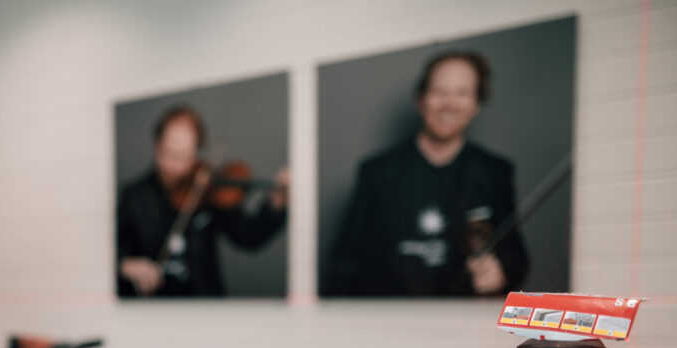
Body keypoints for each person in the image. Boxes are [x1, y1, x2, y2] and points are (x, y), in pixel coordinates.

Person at [328, 50, 528, 297]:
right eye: (439, 91)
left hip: (462, 318)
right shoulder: (376, 172)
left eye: (462, 93)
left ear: (476, 104)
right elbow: (344, 265)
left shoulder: (494, 172)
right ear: (420, 99)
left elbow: (516, 258)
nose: (449, 103)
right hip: (387, 316)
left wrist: (500, 274)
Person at [117, 105, 289, 297]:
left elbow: (250, 236)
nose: (175, 166)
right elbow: (108, 252)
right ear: (156, 147)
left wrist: (277, 203)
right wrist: (125, 265)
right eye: (169, 154)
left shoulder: (208, 189)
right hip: (152, 305)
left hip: (205, 303)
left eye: (184, 157)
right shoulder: (134, 196)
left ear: (196, 153)